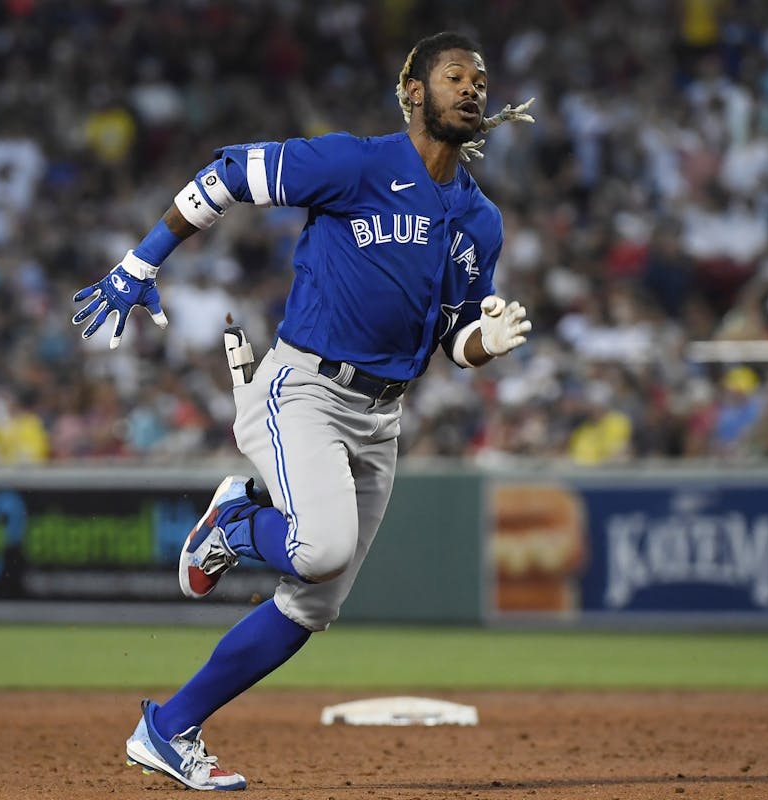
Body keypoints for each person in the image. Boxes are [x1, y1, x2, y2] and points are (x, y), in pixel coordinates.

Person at [71, 32, 534, 791]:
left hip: (382, 416)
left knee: (312, 606)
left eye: (481, 80)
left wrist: (486, 341)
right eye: (455, 76)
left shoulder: (480, 220)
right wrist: (140, 260)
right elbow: (228, 174)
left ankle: (168, 728)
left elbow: (452, 339)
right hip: (307, 388)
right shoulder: (356, 162)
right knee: (319, 549)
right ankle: (232, 524)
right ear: (412, 90)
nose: (473, 89)